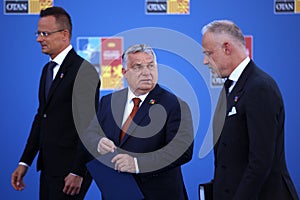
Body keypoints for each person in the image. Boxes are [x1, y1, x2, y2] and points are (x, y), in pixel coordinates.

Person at [201, 19, 299, 200]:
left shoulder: (259, 87)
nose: (205, 61)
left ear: (227, 48)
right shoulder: (231, 86)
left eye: (209, 53)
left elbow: (260, 162)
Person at [82, 44, 194, 200]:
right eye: (138, 67)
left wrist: (137, 164)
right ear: (124, 72)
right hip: (116, 192)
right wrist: (98, 142)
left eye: (151, 66)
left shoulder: (174, 105)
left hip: (157, 194)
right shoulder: (109, 102)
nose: (146, 72)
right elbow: (89, 134)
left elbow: (182, 151)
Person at [11, 6, 100, 199]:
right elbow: (42, 117)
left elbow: (89, 127)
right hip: (49, 167)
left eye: (45, 34)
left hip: (71, 172)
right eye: (38, 33)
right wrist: (25, 162)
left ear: (64, 35)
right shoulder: (47, 70)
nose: (39, 39)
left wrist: (78, 171)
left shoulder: (83, 72)